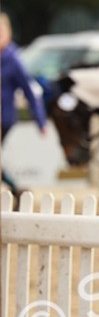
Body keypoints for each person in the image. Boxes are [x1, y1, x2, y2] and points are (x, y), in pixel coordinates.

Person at [0, 12, 48, 198]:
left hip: (3, 117)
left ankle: (15, 189)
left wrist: (40, 120)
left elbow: (30, 90)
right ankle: (15, 189)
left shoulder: (13, 59)